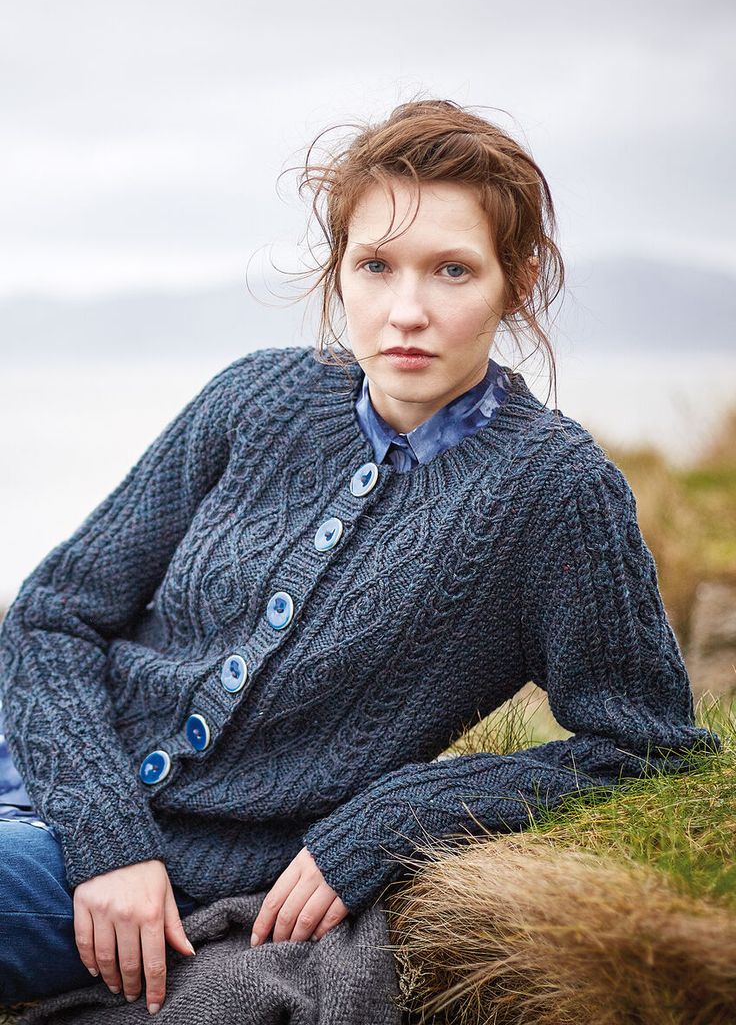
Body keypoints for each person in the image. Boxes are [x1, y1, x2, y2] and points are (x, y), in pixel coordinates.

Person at [0, 97, 722, 1014]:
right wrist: (108, 838)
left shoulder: (553, 491)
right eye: (375, 265)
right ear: (339, 269)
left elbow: (647, 742)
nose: (405, 310)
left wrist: (389, 820)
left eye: (452, 270)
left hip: (172, 868)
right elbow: (55, 612)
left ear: (520, 280)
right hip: (51, 778)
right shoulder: (256, 397)